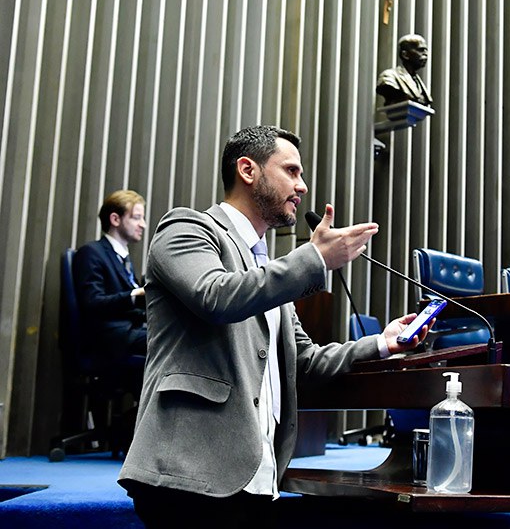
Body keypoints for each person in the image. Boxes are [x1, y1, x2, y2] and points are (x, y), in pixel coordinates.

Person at [118, 125, 433, 528]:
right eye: (291, 171)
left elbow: (306, 360)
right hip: (187, 474)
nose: (302, 186)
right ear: (248, 170)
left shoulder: (268, 270)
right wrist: (314, 259)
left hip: (256, 478)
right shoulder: (186, 229)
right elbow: (216, 296)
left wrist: (382, 343)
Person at [73, 189, 148, 363]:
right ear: (115, 219)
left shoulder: (123, 257)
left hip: (129, 331)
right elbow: (92, 302)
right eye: (136, 218)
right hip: (110, 337)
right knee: (174, 343)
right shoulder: (91, 253)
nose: (143, 224)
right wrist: (134, 296)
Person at [376, 33, 433, 106]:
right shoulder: (388, 76)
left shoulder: (419, 82)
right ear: (405, 55)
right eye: (421, 50)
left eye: (426, 50)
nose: (425, 54)